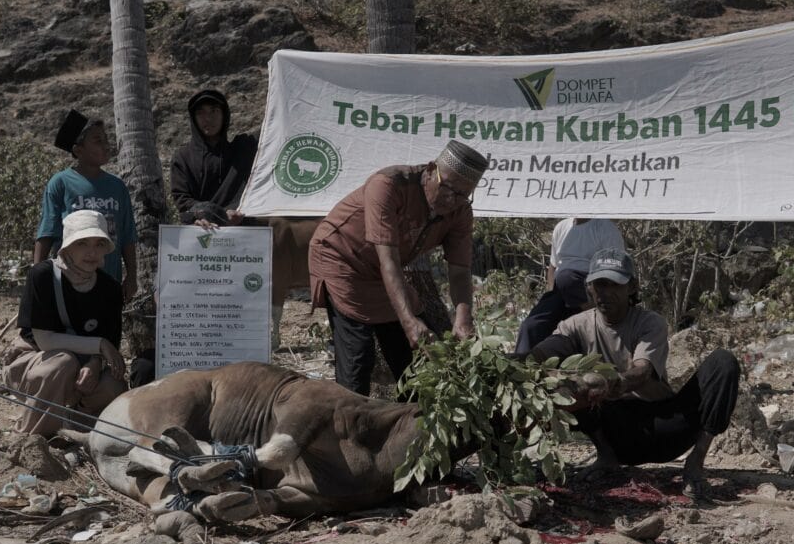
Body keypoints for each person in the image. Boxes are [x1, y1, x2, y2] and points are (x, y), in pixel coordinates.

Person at [527, 247, 740, 498]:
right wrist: (513, 362)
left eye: (613, 285)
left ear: (631, 287)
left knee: (723, 362)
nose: (605, 293)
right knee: (569, 384)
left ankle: (696, 460)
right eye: (599, 285)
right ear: (589, 288)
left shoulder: (650, 322)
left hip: (664, 427)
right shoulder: (576, 325)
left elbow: (642, 371)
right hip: (615, 433)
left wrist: (614, 382)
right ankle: (606, 456)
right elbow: (543, 353)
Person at [309, 139, 489, 395]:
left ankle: (409, 423)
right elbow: (389, 262)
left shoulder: (459, 211)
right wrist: (408, 321)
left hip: (381, 271)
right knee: (358, 356)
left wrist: (463, 317)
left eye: (462, 194)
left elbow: (459, 271)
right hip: (341, 258)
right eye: (447, 187)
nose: (452, 199)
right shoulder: (389, 185)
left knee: (416, 360)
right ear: (430, 170)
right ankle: (349, 426)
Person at [5, 210, 127, 436]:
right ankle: (35, 438)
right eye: (82, 243)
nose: (92, 253)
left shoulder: (109, 289)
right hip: (36, 364)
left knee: (114, 385)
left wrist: (94, 363)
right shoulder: (43, 276)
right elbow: (44, 340)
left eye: (99, 244)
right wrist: (98, 345)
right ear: (67, 247)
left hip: (83, 366)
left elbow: (110, 343)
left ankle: (74, 429)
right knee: (63, 362)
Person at [35, 110, 138, 301]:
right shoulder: (61, 183)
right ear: (78, 150)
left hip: (109, 281)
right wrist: (37, 276)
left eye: (106, 139)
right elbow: (47, 231)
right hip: (68, 280)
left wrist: (131, 277)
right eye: (98, 141)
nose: (107, 146)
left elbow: (127, 235)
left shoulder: (117, 187)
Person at [514, 217, 625, 355]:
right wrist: (550, 291)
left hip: (591, 286)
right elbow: (553, 266)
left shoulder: (605, 228)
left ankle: (593, 314)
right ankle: (521, 364)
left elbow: (616, 267)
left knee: (567, 278)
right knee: (531, 325)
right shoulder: (562, 227)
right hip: (560, 287)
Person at [170, 89, 258, 227]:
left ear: (224, 115)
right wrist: (214, 214)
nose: (208, 118)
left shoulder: (243, 150)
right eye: (201, 113)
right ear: (194, 118)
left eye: (214, 111)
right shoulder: (182, 158)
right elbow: (182, 199)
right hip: (201, 229)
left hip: (243, 229)